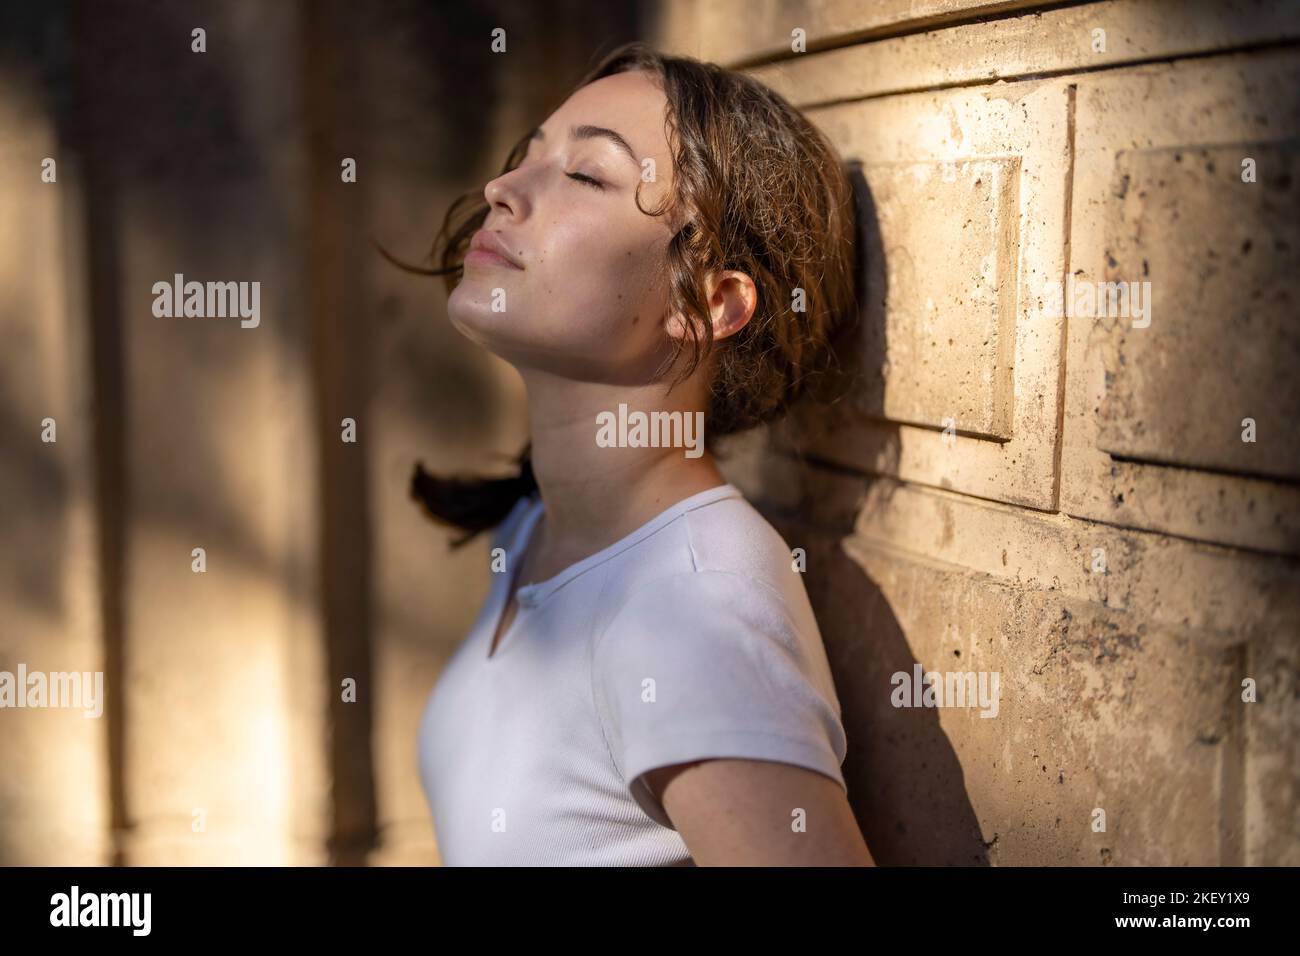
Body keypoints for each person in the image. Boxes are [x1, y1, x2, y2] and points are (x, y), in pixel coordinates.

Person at [404, 41, 873, 866]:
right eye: (528, 156)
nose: (501, 190)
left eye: (586, 175)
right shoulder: (535, 526)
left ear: (710, 302)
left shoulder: (696, 609)